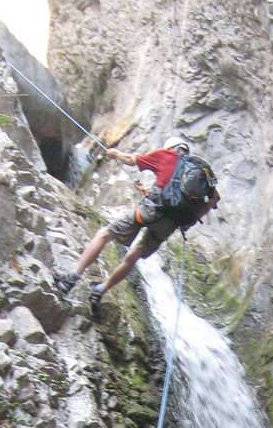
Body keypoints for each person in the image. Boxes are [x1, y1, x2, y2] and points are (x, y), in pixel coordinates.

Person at [57, 135, 219, 316]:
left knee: (104, 234)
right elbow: (214, 199)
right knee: (132, 258)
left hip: (149, 212)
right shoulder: (198, 175)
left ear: (170, 147)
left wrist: (115, 154)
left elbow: (131, 159)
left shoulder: (167, 155)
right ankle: (100, 290)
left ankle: (72, 277)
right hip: (168, 226)